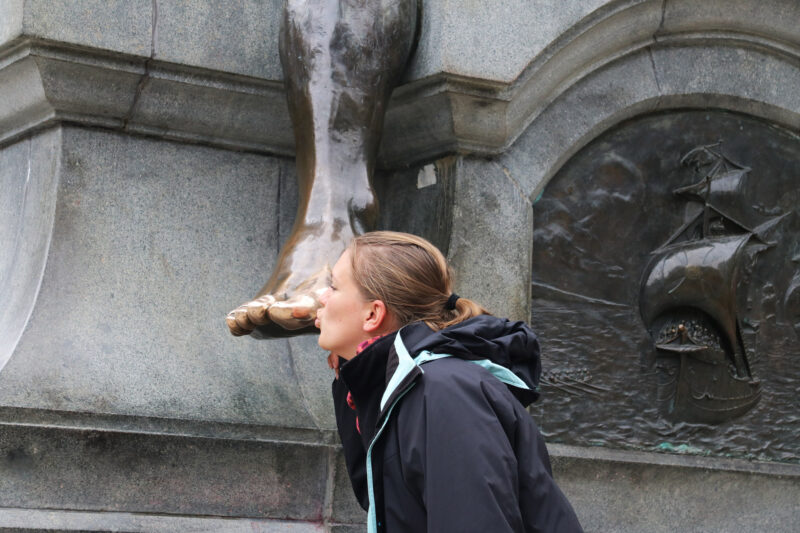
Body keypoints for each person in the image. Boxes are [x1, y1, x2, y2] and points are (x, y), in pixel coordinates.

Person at [317, 231, 583, 533]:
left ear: (373, 313)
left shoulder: (445, 392)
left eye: (333, 287)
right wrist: (354, 378)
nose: (321, 298)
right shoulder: (409, 389)